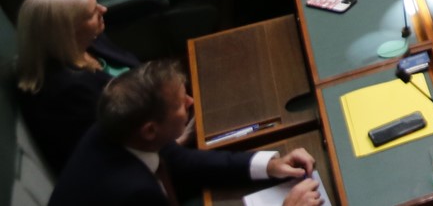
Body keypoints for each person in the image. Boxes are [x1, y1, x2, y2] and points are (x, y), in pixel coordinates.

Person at [49, 60, 320, 206]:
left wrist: (270, 165)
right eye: (181, 103)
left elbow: (182, 161)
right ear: (150, 129)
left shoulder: (116, 130)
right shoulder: (133, 194)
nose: (191, 103)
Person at [14, 0, 135, 173]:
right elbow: (120, 148)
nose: (103, 9)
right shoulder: (67, 90)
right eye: (92, 13)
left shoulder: (90, 41)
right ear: (67, 32)